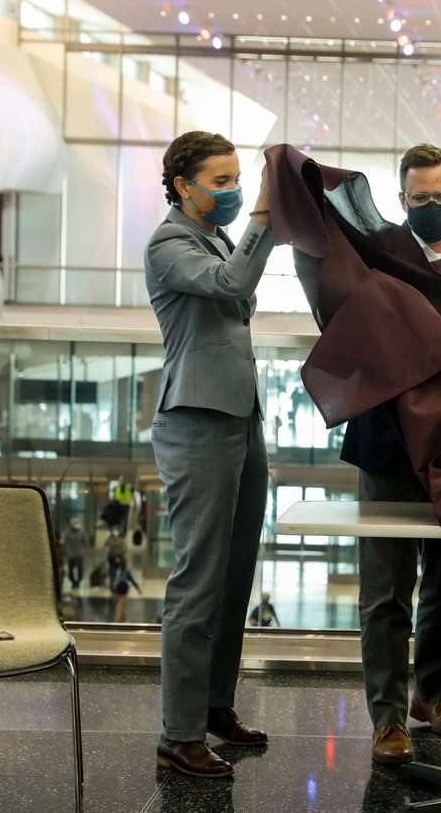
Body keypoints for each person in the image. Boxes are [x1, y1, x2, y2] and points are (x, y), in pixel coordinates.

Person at [344, 144, 441, 766]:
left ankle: (431, 695)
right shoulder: (379, 256)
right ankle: (386, 717)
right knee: (385, 590)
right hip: (388, 441)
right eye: (419, 198)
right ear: (401, 200)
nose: (431, 206)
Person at [146, 130, 276, 779]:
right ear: (181, 185)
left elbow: (237, 278)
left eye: (236, 179)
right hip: (196, 422)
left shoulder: (216, 236)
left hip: (238, 417)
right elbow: (232, 286)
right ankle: (178, 733)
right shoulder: (170, 244)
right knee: (198, 581)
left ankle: (214, 705)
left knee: (233, 576)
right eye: (220, 182)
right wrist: (261, 222)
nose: (232, 191)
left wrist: (260, 225)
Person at [108, 553, 142, 623]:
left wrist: (138, 588)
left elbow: (132, 580)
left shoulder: (125, 571)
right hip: (117, 590)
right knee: (120, 606)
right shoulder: (115, 571)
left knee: (119, 607)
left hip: (122, 590)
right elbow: (112, 580)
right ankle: (124, 620)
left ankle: (117, 622)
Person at [60, 516, 86, 589]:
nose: (76, 523)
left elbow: (85, 541)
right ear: (71, 523)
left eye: (77, 522)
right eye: (74, 522)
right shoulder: (67, 531)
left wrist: (84, 551)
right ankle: (73, 581)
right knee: (71, 569)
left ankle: (78, 582)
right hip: (70, 553)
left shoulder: (81, 531)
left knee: (79, 569)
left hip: (79, 553)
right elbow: (62, 541)